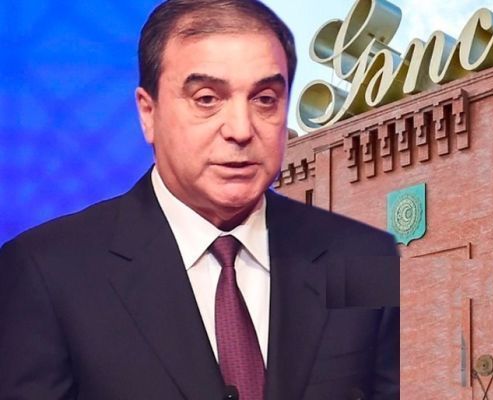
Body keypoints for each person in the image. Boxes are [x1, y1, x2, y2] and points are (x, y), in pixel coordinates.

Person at [0, 0, 399, 399]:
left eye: (264, 99)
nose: (241, 129)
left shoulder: (362, 258)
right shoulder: (46, 274)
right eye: (207, 99)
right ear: (148, 113)